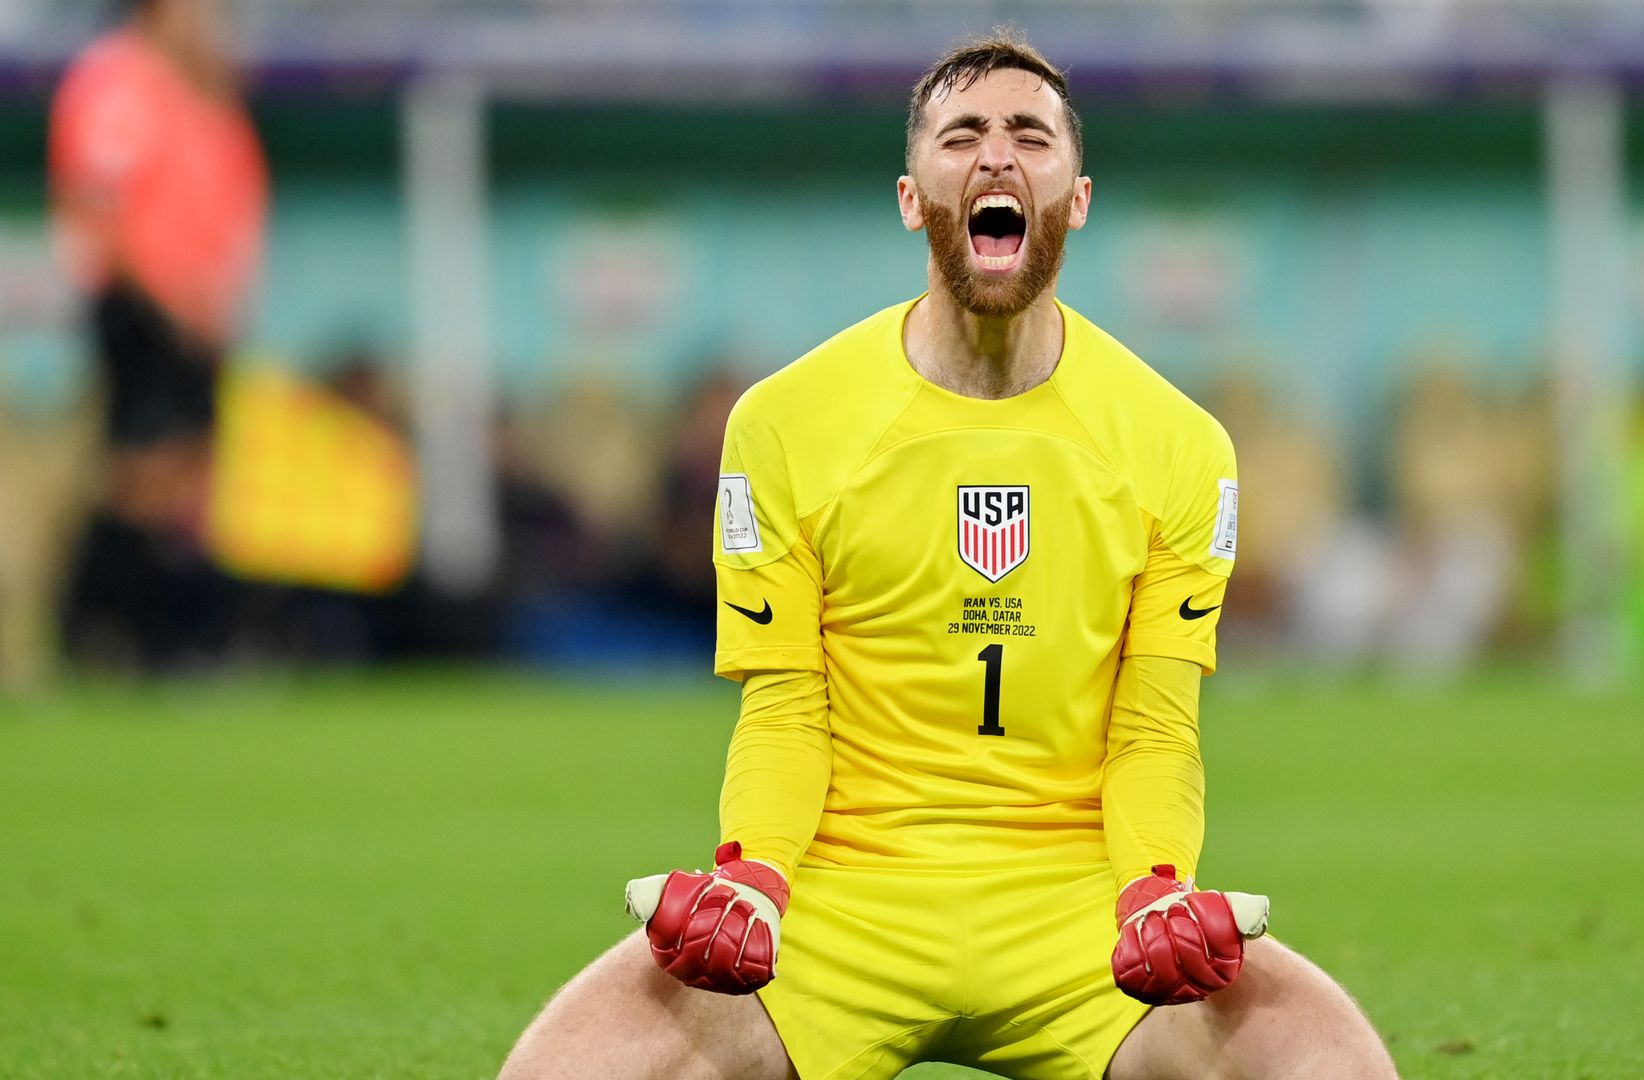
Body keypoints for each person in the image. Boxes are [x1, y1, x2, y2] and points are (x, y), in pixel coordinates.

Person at [501, 30, 1396, 1080]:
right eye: (961, 134)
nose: (997, 156)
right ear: (911, 196)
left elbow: (1154, 726)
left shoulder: (1180, 445)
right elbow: (785, 709)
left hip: (1079, 908)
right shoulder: (785, 424)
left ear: (1079, 195)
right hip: (839, 900)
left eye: (1031, 134)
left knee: (1335, 1066)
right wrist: (752, 878)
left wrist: (1157, 887)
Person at [48, 0, 267, 667]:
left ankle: (174, 637)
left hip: (199, 312)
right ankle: (90, 630)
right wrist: (166, 299)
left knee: (193, 476)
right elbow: (102, 205)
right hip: (141, 304)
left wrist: (218, 296)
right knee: (143, 472)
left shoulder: (201, 86)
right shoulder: (117, 80)